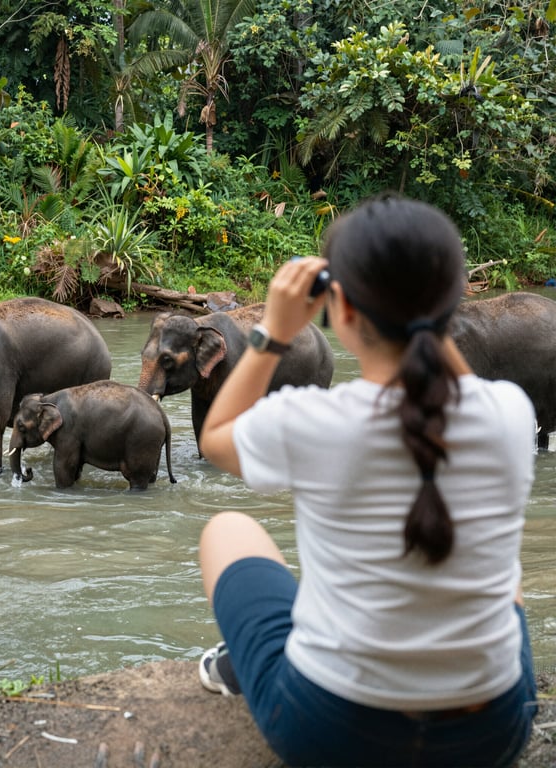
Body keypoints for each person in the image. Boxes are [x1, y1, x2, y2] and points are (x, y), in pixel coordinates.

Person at [196, 195, 538, 767]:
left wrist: (272, 334)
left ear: (342, 311)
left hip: (330, 734)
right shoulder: (510, 412)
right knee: (509, 579)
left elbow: (216, 435)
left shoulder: (313, 420)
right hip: (491, 733)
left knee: (227, 529)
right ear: (455, 303)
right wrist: (424, 307)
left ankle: (258, 666)